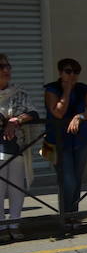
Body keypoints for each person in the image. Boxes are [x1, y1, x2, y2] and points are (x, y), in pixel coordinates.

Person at [44, 58, 87, 222]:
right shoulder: (51, 89)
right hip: (58, 141)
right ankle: (66, 215)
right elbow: (58, 113)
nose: (72, 75)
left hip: (80, 140)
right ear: (60, 73)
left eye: (76, 72)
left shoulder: (83, 89)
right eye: (68, 71)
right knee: (67, 180)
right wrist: (67, 91)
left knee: (77, 178)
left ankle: (72, 214)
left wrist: (80, 116)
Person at [0, 55, 39, 240]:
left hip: (16, 147)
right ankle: (1, 226)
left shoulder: (19, 93)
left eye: (8, 66)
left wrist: (16, 120)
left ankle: (14, 224)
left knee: (16, 187)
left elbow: (33, 112)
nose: (6, 70)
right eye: (1, 67)